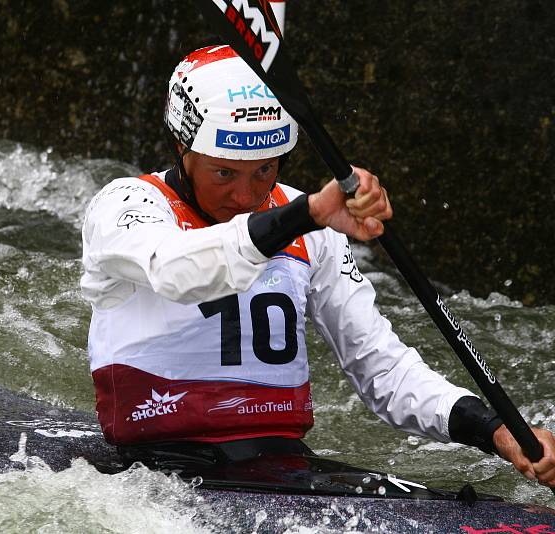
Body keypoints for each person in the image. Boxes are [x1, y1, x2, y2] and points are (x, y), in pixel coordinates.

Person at [80, 45, 555, 488]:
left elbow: (381, 369)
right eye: (224, 173)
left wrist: (494, 431)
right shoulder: (125, 204)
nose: (246, 197)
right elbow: (177, 271)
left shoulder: (310, 222)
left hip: (280, 464)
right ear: (182, 150)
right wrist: (304, 215)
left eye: (265, 170)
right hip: (151, 472)